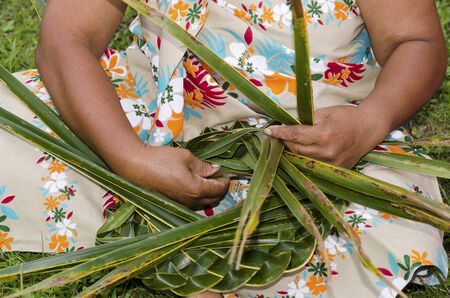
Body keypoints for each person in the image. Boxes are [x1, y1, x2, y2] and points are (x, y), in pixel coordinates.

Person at [0, 0, 447, 296]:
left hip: (320, 148)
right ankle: (169, 230)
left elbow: (417, 42)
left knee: (386, 224)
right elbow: (65, 39)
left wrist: (371, 120)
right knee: (12, 125)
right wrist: (129, 157)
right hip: (152, 121)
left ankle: (203, 256)